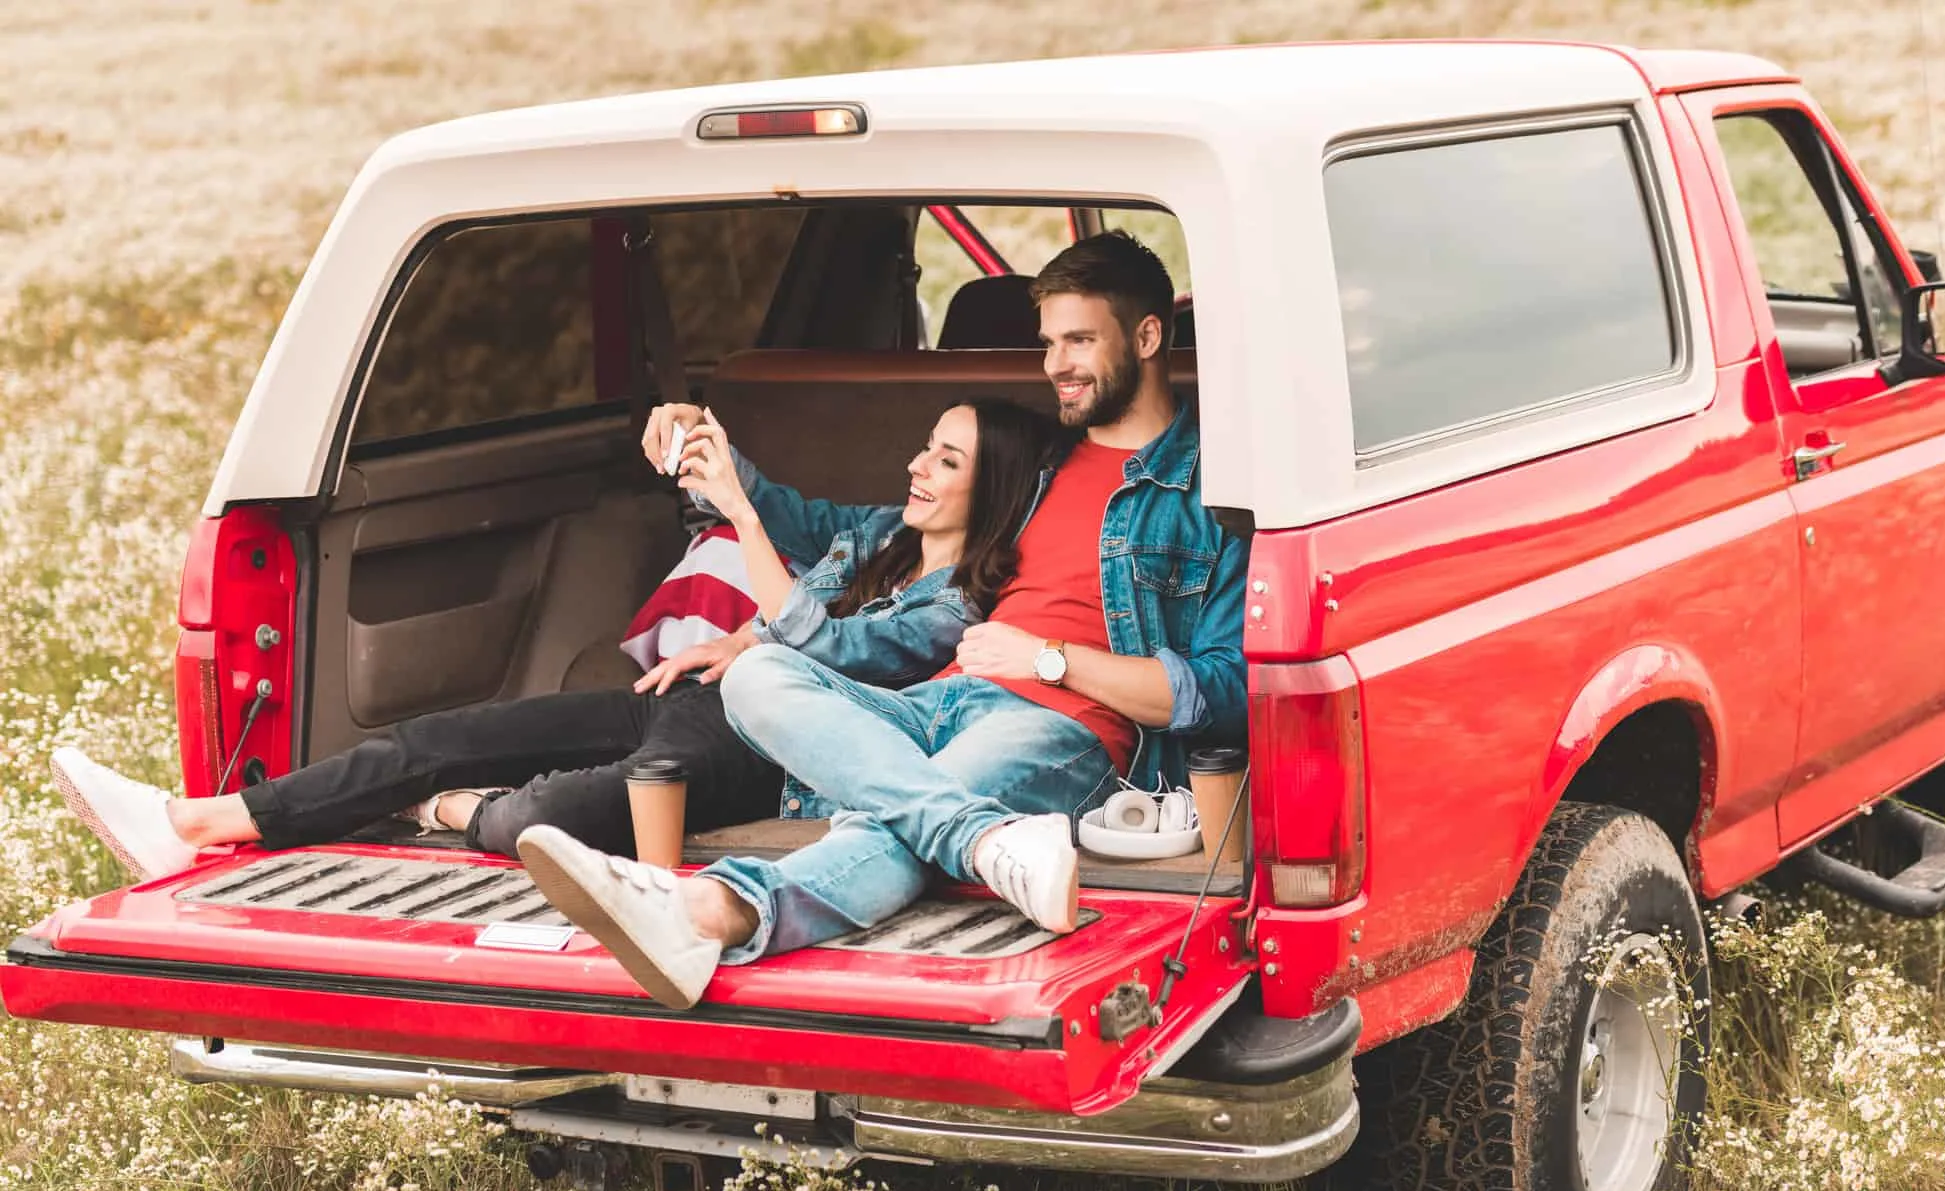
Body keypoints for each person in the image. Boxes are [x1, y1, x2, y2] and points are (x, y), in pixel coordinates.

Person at [518, 231, 1250, 1009]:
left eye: (1078, 341)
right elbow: (854, 528)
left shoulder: (1211, 489)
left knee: (896, 824)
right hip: (937, 700)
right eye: (1047, 342)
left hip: (1064, 728)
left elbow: (1220, 688)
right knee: (759, 674)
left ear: (1146, 337)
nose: (1054, 365)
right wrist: (717, 454)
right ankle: (986, 841)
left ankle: (707, 909)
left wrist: (1047, 659)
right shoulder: (1037, 465)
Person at [52, 398, 1066, 879]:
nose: (916, 464)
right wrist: (701, 441)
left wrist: (743, 548)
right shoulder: (879, 534)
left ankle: (436, 813)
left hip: (765, 756)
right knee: (455, 730)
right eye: (923, 443)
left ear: (994, 487)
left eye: (944, 457)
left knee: (544, 816)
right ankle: (198, 821)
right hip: (697, 701)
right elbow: (780, 509)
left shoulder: (958, 609)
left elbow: (822, 647)